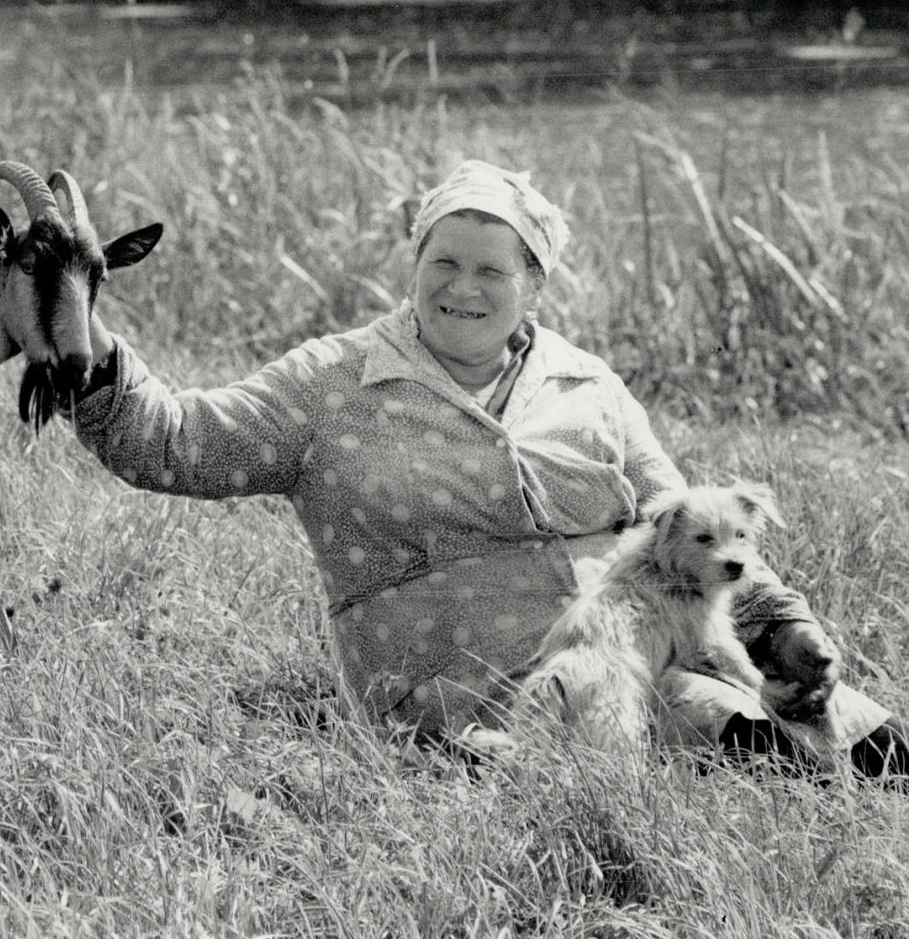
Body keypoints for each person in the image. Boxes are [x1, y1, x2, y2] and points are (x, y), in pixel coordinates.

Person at [62, 158, 907, 779]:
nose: (462, 288)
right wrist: (72, 330)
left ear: (533, 283)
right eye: (444, 263)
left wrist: (784, 622)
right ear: (415, 266)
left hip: (641, 641)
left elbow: (682, 524)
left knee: (873, 742)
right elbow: (173, 442)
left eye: (491, 270)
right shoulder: (334, 383)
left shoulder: (587, 384)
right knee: (738, 738)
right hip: (465, 684)